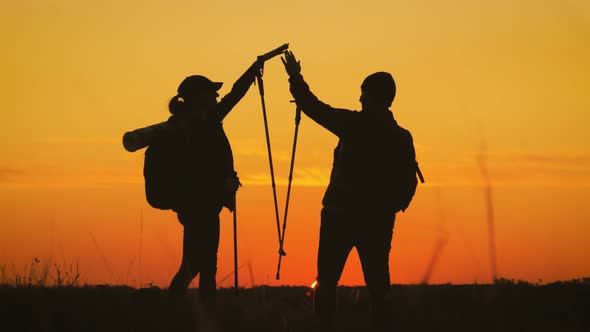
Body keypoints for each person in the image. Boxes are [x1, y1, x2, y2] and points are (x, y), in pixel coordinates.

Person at [281, 50, 418, 332]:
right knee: (379, 285)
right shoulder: (401, 136)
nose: (359, 98)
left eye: (363, 93)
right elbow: (409, 181)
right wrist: (392, 207)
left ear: (373, 97)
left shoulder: (353, 125)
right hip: (377, 220)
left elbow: (313, 107)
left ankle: (324, 327)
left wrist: (295, 77)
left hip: (339, 217)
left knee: (328, 280)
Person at [164, 58, 262, 312]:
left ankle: (183, 309)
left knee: (201, 263)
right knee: (200, 264)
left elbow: (234, 95)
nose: (217, 95)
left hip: (206, 204)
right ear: (198, 98)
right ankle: (190, 310)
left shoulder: (208, 119)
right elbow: (196, 169)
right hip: (198, 204)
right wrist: (224, 182)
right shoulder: (190, 127)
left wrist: (254, 69)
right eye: (211, 92)